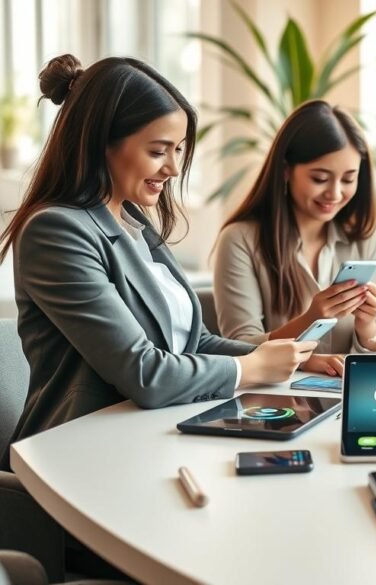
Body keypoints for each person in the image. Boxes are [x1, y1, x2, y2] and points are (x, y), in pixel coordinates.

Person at [0, 55, 335, 470]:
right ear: (101, 141)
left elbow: (190, 343)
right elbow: (145, 372)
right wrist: (249, 368)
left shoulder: (133, 221)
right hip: (80, 460)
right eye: (159, 150)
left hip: (151, 437)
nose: (174, 168)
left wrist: (281, 357)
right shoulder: (56, 232)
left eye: (178, 150)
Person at [212, 100, 376, 365]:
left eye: (348, 179)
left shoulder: (362, 239)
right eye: (320, 178)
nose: (334, 193)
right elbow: (240, 346)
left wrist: (367, 328)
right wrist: (311, 322)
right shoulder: (240, 239)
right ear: (286, 171)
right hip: (274, 396)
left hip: (347, 389)